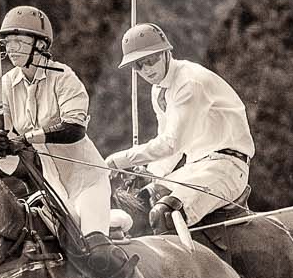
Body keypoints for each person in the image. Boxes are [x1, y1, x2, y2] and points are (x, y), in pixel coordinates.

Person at [0, 4, 176, 278]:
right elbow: (0, 143)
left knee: (94, 248)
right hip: (50, 184)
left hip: (87, 179)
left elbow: (73, 128)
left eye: (19, 41)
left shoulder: (64, 78)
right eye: (8, 42)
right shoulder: (5, 85)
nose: (11, 49)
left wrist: (27, 137)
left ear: (40, 45)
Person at [105, 22, 255, 232]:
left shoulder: (189, 82)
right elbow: (168, 154)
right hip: (193, 168)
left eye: (151, 59)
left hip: (226, 167)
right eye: (138, 65)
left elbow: (171, 144)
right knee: (139, 204)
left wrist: (117, 160)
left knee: (165, 214)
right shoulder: (159, 91)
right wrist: (149, 174)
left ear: (166, 53)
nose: (146, 69)